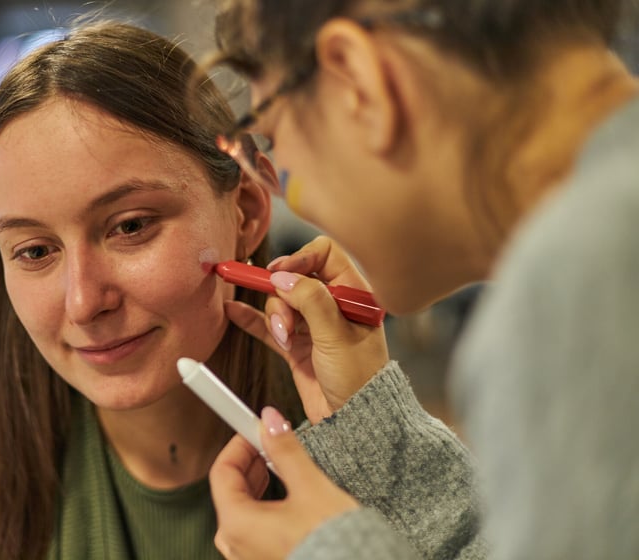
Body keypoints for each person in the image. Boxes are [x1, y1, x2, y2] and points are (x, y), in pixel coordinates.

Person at [204, 1, 639, 559]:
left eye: (270, 140)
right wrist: (386, 444)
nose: (282, 190)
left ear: (356, 81)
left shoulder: (576, 288)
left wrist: (330, 550)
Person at [0, 20, 302, 560]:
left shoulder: (358, 447)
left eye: (130, 226)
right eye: (35, 251)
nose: (85, 303)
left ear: (246, 211)